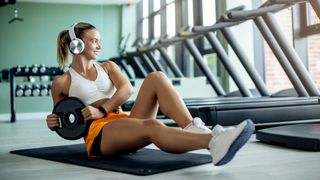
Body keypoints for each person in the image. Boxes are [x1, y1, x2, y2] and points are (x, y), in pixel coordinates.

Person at [46, 22, 254, 166]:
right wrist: (55, 122)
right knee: (153, 126)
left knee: (156, 77)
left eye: (99, 41)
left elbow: (127, 90)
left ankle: (195, 129)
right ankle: (213, 142)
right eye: (94, 41)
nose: (100, 46)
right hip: (101, 136)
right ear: (77, 44)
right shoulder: (62, 82)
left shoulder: (108, 67)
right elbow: (66, 125)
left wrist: (102, 109)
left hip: (123, 121)